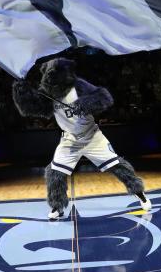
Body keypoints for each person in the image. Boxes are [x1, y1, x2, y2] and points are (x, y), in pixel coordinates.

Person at [12, 58, 151, 219]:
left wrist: (84, 104)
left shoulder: (78, 86)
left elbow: (104, 97)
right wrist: (21, 90)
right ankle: (57, 207)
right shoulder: (47, 93)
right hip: (70, 139)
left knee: (118, 166)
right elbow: (33, 108)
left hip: (92, 136)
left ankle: (140, 194)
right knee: (55, 172)